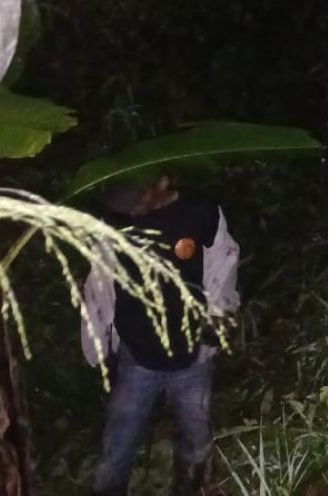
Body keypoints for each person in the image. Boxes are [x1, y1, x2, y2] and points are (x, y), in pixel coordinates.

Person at [81, 177, 240, 496]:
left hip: (193, 355)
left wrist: (219, 320)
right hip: (136, 357)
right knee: (118, 443)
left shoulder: (201, 212)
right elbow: (99, 285)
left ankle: (190, 486)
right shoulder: (114, 221)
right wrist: (98, 347)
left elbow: (223, 265)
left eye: (138, 198)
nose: (132, 209)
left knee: (197, 436)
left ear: (162, 182)